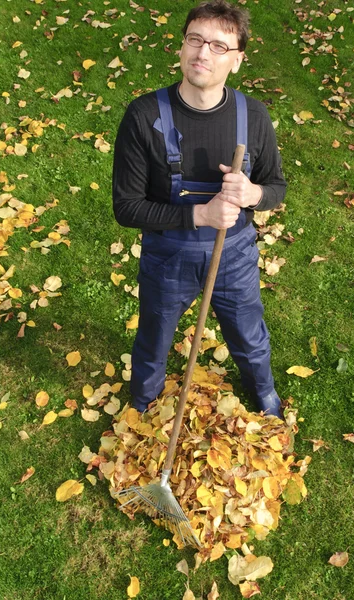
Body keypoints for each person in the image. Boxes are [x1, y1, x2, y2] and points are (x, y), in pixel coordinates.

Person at [112, 0, 287, 418]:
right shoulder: (145, 115)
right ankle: (142, 407)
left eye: (219, 46)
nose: (203, 53)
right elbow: (127, 208)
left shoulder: (254, 117)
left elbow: (277, 188)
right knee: (153, 340)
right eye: (195, 39)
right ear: (181, 47)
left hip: (234, 257)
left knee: (248, 337)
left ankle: (264, 396)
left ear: (238, 60)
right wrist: (199, 215)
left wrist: (252, 195)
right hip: (168, 256)